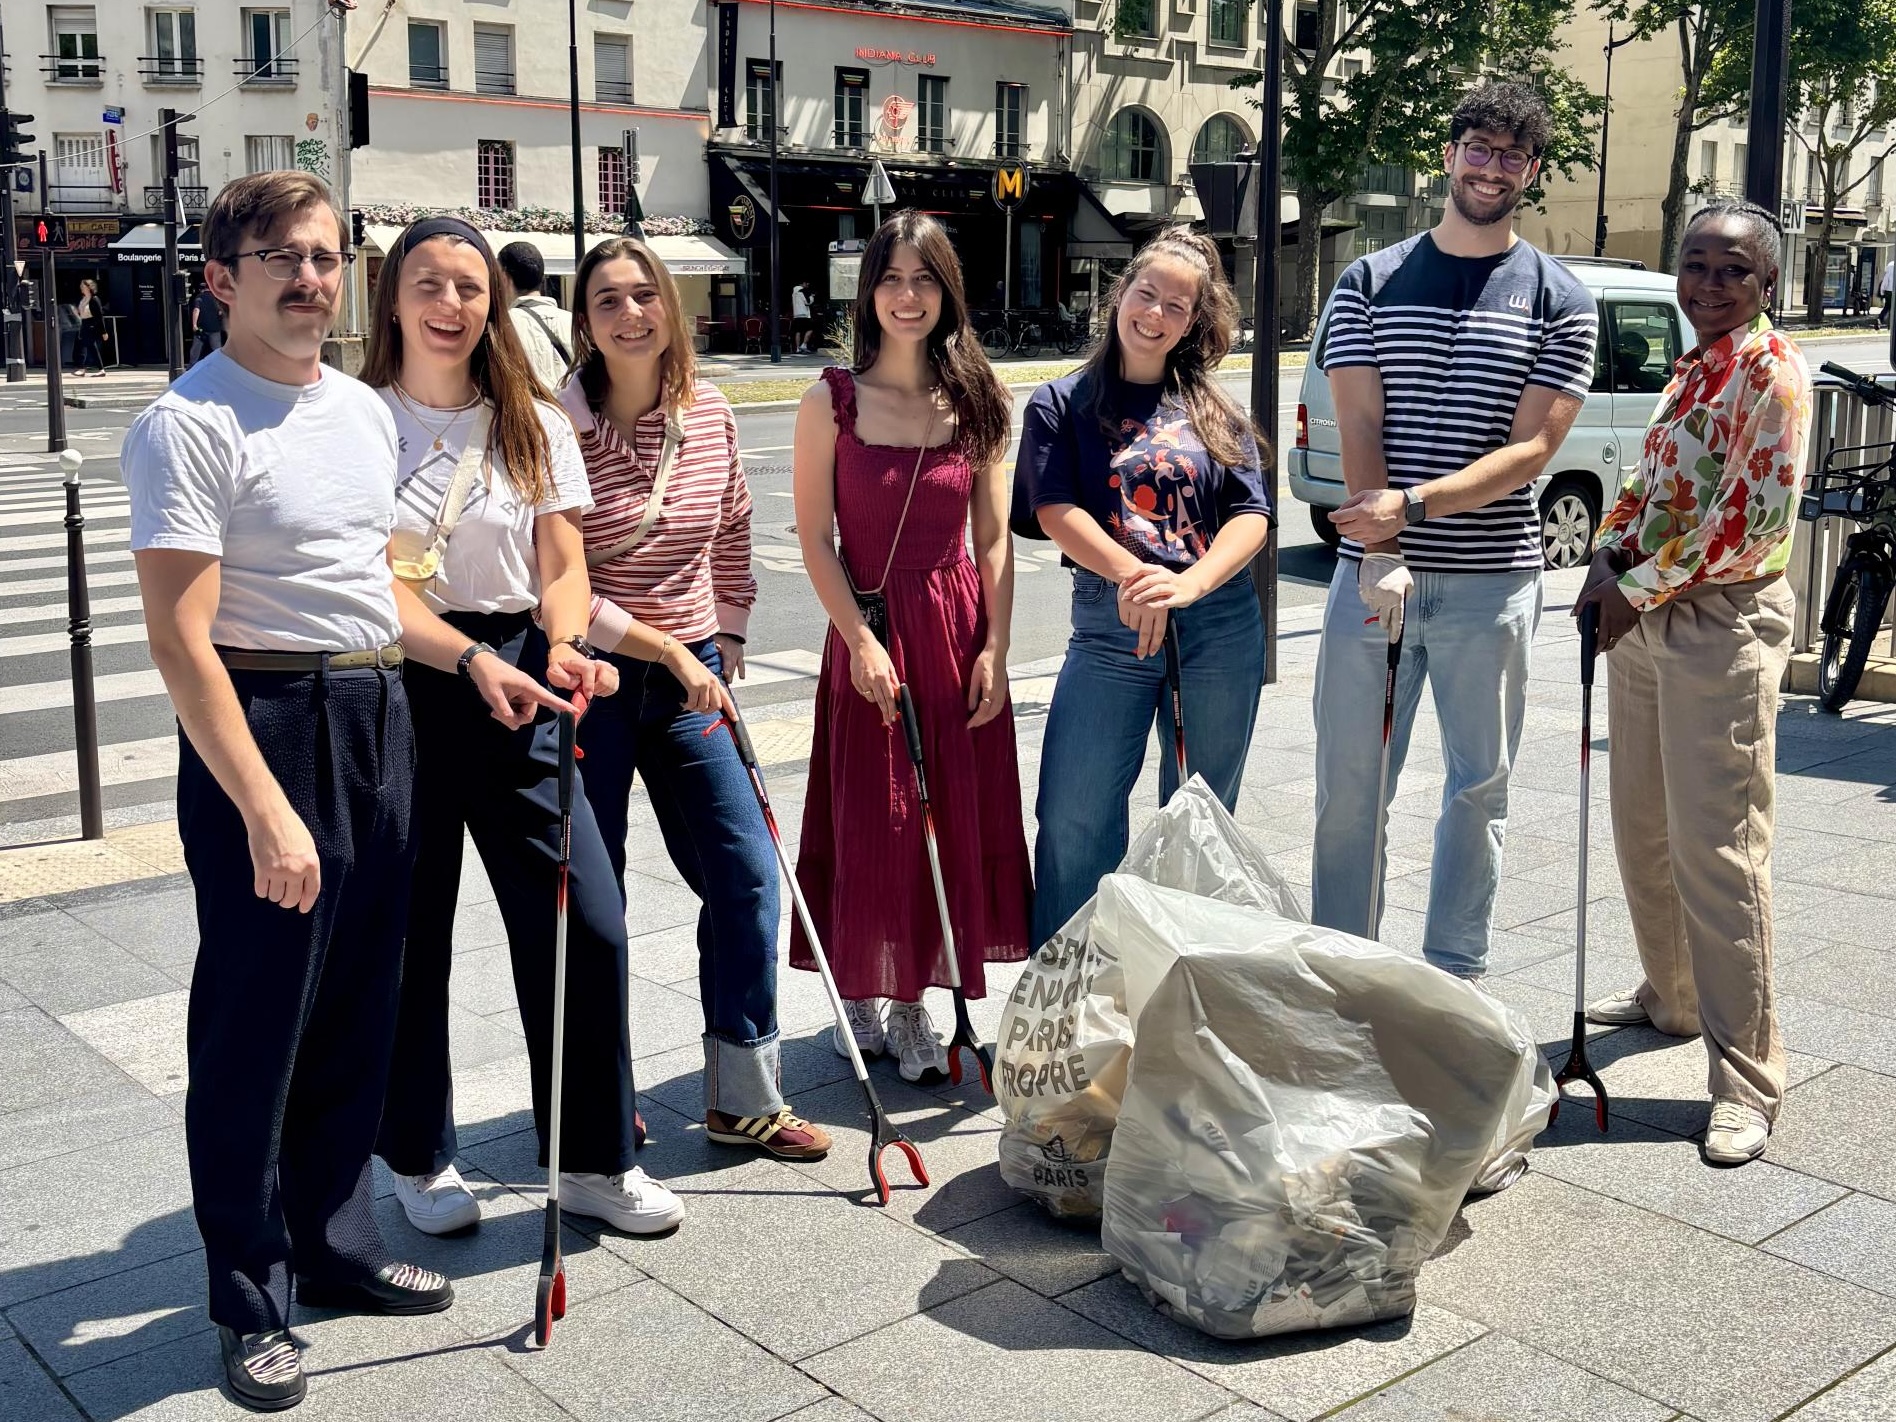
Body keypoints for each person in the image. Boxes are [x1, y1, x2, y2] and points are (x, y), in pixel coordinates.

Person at [121, 171, 566, 1412]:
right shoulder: (190, 424)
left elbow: (376, 589)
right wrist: (266, 807)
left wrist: (476, 660)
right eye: (281, 259)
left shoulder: (360, 416)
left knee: (365, 1008)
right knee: (255, 1032)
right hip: (270, 725)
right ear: (223, 278)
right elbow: (180, 639)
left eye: (324, 258)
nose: (311, 279)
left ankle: (334, 1243)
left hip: (380, 714)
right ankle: (249, 1297)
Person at [363, 217, 685, 1239]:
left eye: (469, 287)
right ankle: (416, 1154)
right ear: (394, 299)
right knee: (412, 935)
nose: (451, 306)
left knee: (584, 919)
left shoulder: (531, 422)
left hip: (522, 679)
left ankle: (592, 1155)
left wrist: (559, 642)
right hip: (405, 680)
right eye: (430, 285)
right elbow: (374, 587)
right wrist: (469, 660)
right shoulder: (358, 423)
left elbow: (564, 565)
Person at [1312, 80, 1599, 978]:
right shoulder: (1368, 278)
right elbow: (1360, 424)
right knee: (1353, 792)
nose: (1492, 166)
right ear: (1449, 155)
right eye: (1478, 146)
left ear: (1532, 172)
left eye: (1512, 154)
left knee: (1479, 789)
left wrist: (1414, 508)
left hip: (1495, 584)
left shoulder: (1562, 298)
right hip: (1376, 579)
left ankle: (1454, 977)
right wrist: (1382, 547)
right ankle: (1343, 969)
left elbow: (1532, 452)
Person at [562, 236, 832, 1160]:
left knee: (748, 870)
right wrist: (670, 651)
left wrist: (733, 634)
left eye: (646, 296)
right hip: (589, 677)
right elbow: (554, 584)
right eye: (607, 301)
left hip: (693, 677)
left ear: (671, 310)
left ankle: (742, 1093)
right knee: (591, 903)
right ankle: (596, 1095)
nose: (630, 314)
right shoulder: (556, 422)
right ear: (583, 323)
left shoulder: (709, 413)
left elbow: (732, 528)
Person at [1576, 199, 1813, 1167]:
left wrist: (1636, 584)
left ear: (1765, 283)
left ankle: (1748, 1079)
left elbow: (1748, 525)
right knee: (1643, 824)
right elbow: (1648, 484)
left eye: (1733, 271)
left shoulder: (1773, 375)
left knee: (1719, 851)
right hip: (1644, 608)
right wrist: (1603, 555)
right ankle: (1671, 995)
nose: (1711, 285)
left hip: (1719, 619)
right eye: (1697, 265)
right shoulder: (1692, 365)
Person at [791, 211, 1032, 1077]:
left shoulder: (977, 399)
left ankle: (912, 1003)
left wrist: (997, 646)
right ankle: (864, 988)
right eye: (891, 278)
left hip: (955, 624)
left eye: (924, 279)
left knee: (948, 818)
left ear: (947, 292)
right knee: (877, 816)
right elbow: (815, 539)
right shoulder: (832, 399)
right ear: (869, 292)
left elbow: (995, 540)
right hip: (872, 631)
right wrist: (857, 641)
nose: (906, 295)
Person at [1015, 225, 1273, 948]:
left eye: (1177, 307)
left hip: (1217, 622)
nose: (1155, 314)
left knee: (1199, 817)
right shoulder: (1060, 403)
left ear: (1195, 323)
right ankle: (1066, 1006)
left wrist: (1187, 588)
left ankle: (1175, 992)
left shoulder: (1213, 409)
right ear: (1119, 294)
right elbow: (1052, 510)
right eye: (1146, 293)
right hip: (1110, 623)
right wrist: (1136, 575)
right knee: (1075, 812)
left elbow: (1253, 515)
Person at [498, 240, 574, 391]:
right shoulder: (574, 323)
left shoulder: (501, 326)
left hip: (530, 413)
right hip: (573, 413)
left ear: (504, 278)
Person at [72, 278, 107, 375]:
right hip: (84, 323)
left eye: (83, 286)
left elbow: (99, 316)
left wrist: (103, 331)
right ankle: (100, 369)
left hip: (91, 324)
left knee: (84, 345)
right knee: (90, 346)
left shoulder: (94, 299)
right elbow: (81, 312)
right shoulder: (83, 299)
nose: (81, 288)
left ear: (89, 287)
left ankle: (82, 368)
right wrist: (77, 312)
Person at [188, 283, 226, 366]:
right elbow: (221, 312)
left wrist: (194, 324)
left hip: (202, 329)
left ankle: (191, 366)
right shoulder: (216, 298)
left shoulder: (199, 298)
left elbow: (196, 310)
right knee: (217, 349)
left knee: (196, 349)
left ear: (201, 289)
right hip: (215, 327)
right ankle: (220, 365)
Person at [792, 281, 816, 354]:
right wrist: (812, 297)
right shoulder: (803, 291)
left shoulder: (794, 293)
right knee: (810, 329)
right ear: (801, 284)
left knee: (798, 331)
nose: (807, 284)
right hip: (804, 314)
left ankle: (797, 348)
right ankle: (804, 345)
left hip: (796, 314)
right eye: (806, 283)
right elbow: (807, 302)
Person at [1879, 258, 1893, 328]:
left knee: (1887, 306)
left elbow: (1884, 283)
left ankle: (1880, 319)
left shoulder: (1889, 272)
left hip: (1888, 291)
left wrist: (1882, 293)